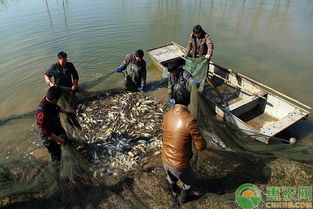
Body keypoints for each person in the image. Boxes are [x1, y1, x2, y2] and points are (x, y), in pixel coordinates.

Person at [162, 86, 206, 204]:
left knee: (171, 179)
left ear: (174, 101)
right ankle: (183, 199)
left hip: (165, 159)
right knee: (191, 181)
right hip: (179, 164)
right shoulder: (190, 120)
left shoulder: (167, 115)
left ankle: (174, 192)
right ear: (189, 102)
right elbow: (201, 146)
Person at [36, 86, 72, 162]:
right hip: (49, 137)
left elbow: (56, 108)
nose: (58, 100)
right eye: (58, 99)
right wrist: (59, 140)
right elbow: (45, 132)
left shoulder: (49, 99)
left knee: (67, 142)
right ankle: (58, 167)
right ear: (54, 100)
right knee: (57, 155)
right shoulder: (41, 112)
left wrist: (67, 112)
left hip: (56, 129)